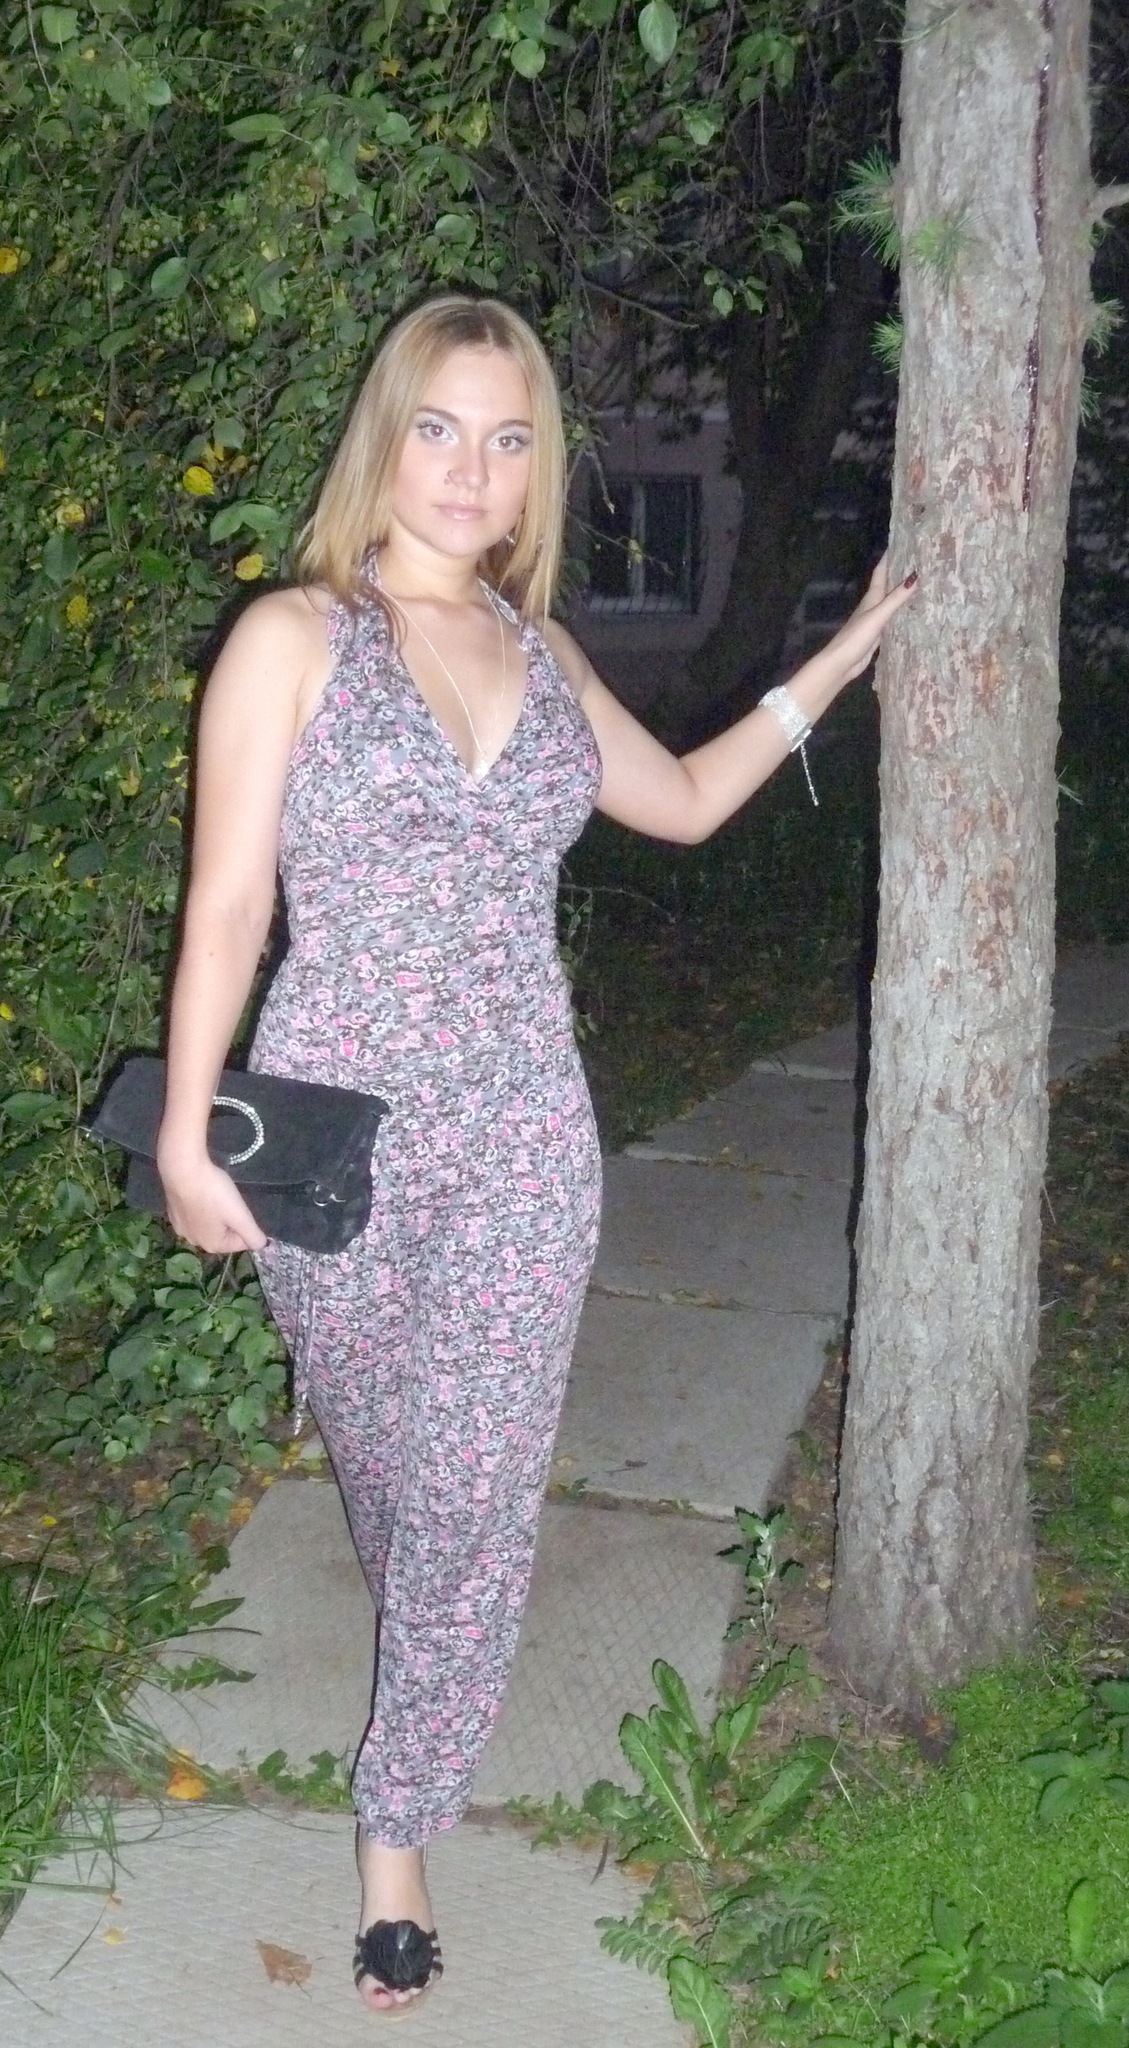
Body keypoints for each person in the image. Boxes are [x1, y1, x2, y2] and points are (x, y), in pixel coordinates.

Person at [155, 292, 915, 2015]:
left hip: (520, 1128)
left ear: (537, 470)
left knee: (478, 1495)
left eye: (508, 440)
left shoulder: (547, 654)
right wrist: (193, 1130)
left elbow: (690, 802)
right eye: (439, 427)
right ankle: (426, 1635)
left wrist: (840, 657)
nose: (469, 468)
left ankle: (396, 1831)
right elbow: (231, 903)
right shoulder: (292, 637)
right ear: (386, 437)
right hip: (335, 1132)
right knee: (391, 1468)